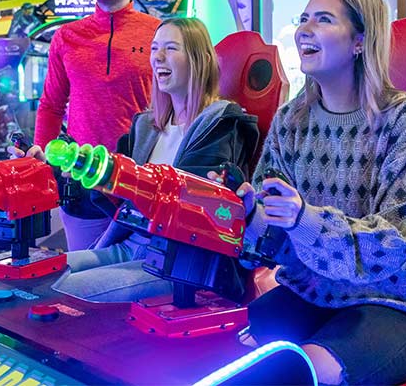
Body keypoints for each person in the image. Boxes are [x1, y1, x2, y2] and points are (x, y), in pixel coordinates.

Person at [228, 0, 406, 385]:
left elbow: (396, 240)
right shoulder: (289, 121)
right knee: (229, 357)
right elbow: (273, 248)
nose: (304, 29)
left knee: (296, 373)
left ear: (359, 41)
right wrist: (252, 218)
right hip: (313, 292)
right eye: (303, 19)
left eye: (323, 19)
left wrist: (304, 219)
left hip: (397, 299)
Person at [50, 17, 259, 303]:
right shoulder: (146, 126)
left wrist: (122, 181)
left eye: (171, 48)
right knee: (42, 277)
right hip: (129, 245)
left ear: (199, 59)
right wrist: (72, 171)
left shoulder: (221, 123)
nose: (157, 57)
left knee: (64, 292)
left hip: (178, 263)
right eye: (154, 48)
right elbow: (117, 195)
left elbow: (197, 205)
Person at [19, 0, 161, 250]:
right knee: (81, 277)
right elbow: (51, 106)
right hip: (83, 182)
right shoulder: (67, 37)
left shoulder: (158, 34)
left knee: (142, 280)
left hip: (143, 182)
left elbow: (178, 103)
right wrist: (42, 157)